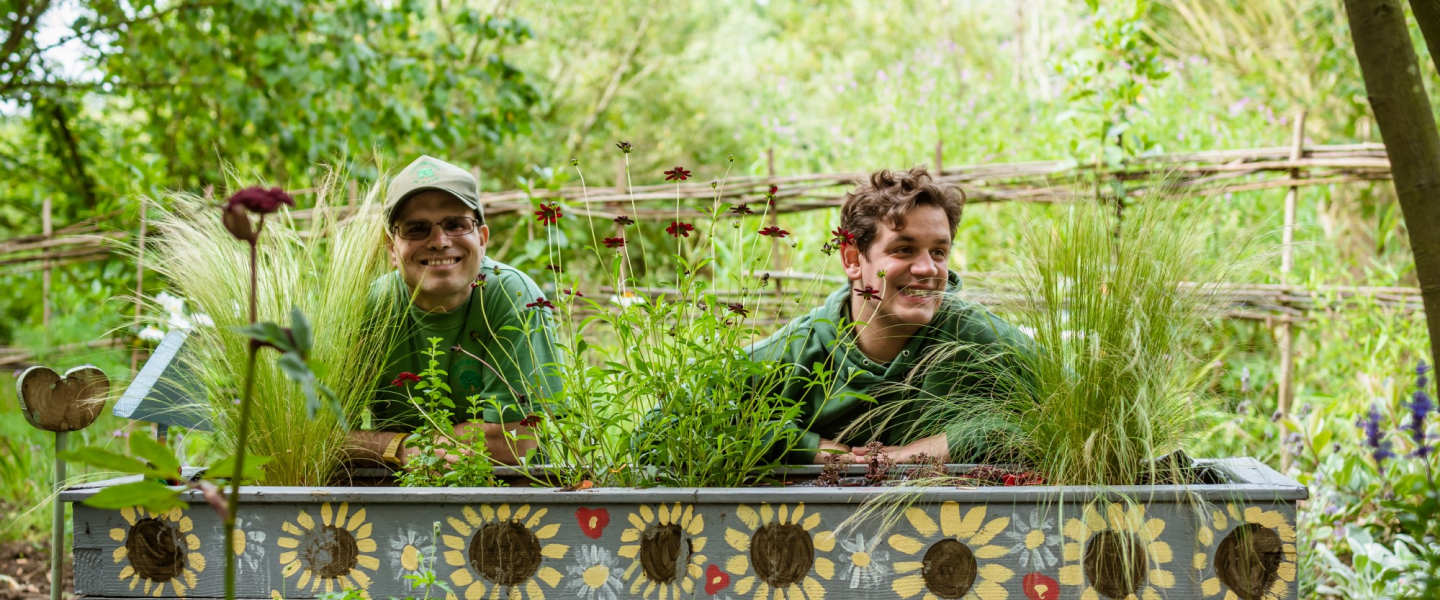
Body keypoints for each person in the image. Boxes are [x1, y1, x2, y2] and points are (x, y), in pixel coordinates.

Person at [749, 167, 1032, 465]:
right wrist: (807, 447)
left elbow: (1075, 406)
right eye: (904, 249)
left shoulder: (979, 337)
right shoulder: (794, 351)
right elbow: (699, 408)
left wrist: (951, 442)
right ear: (852, 259)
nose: (928, 269)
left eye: (938, 252)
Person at [349, 156, 560, 468]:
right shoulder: (368, 308)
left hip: (512, 495)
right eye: (416, 228)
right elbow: (318, 435)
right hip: (392, 496)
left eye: (456, 225)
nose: (439, 241)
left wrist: (404, 450)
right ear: (392, 248)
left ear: (482, 239)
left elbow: (520, 439)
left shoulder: (515, 297)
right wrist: (401, 447)